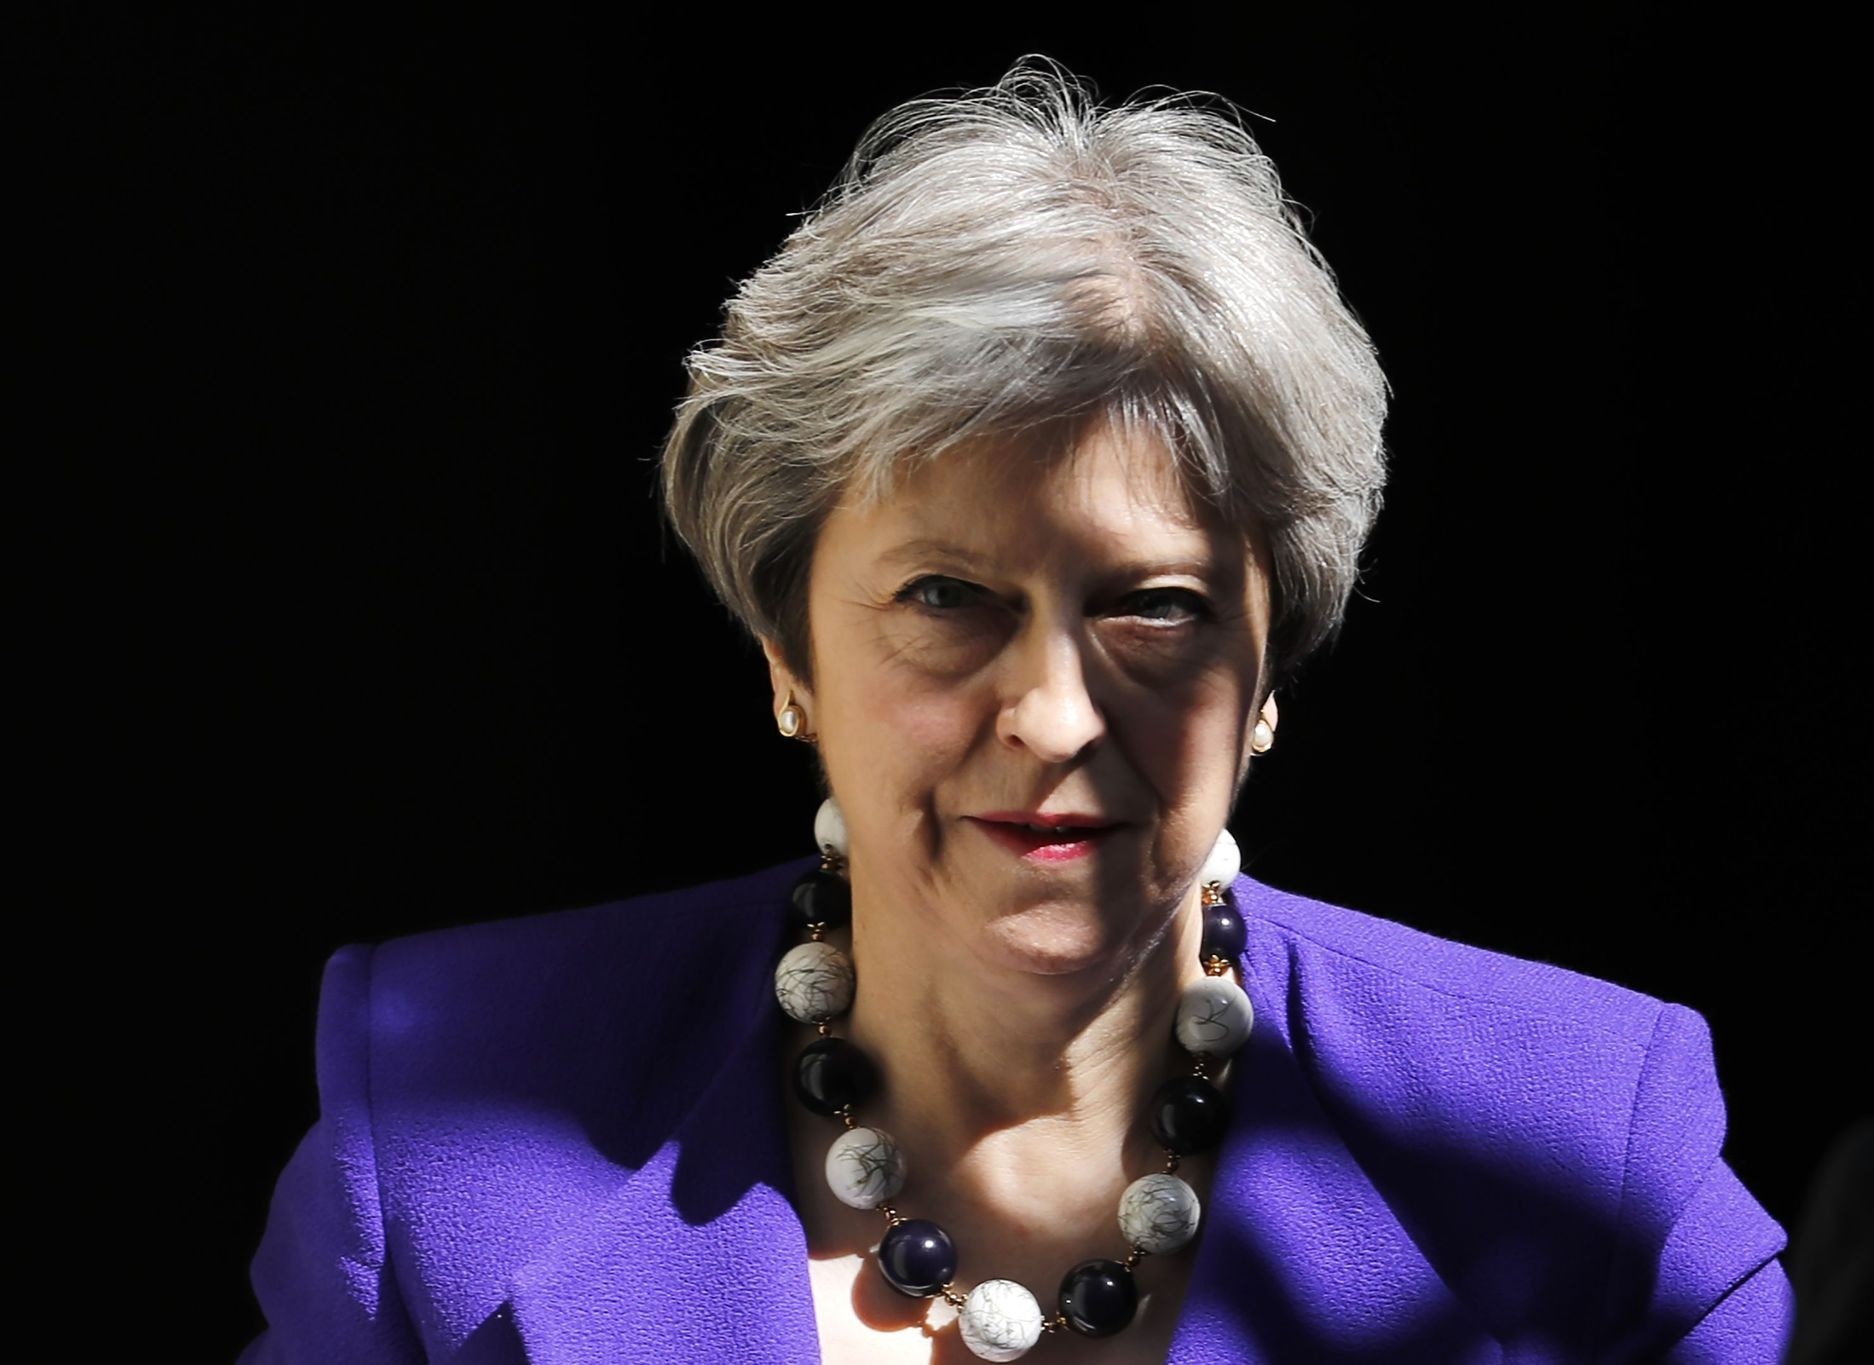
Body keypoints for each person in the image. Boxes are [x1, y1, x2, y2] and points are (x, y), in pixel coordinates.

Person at [240, 60, 1792, 1363]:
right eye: (945, 598)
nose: (1052, 711)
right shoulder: (438, 1139)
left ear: (1269, 673)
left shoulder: (1588, 1143)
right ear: (789, 651)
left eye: (1155, 604)